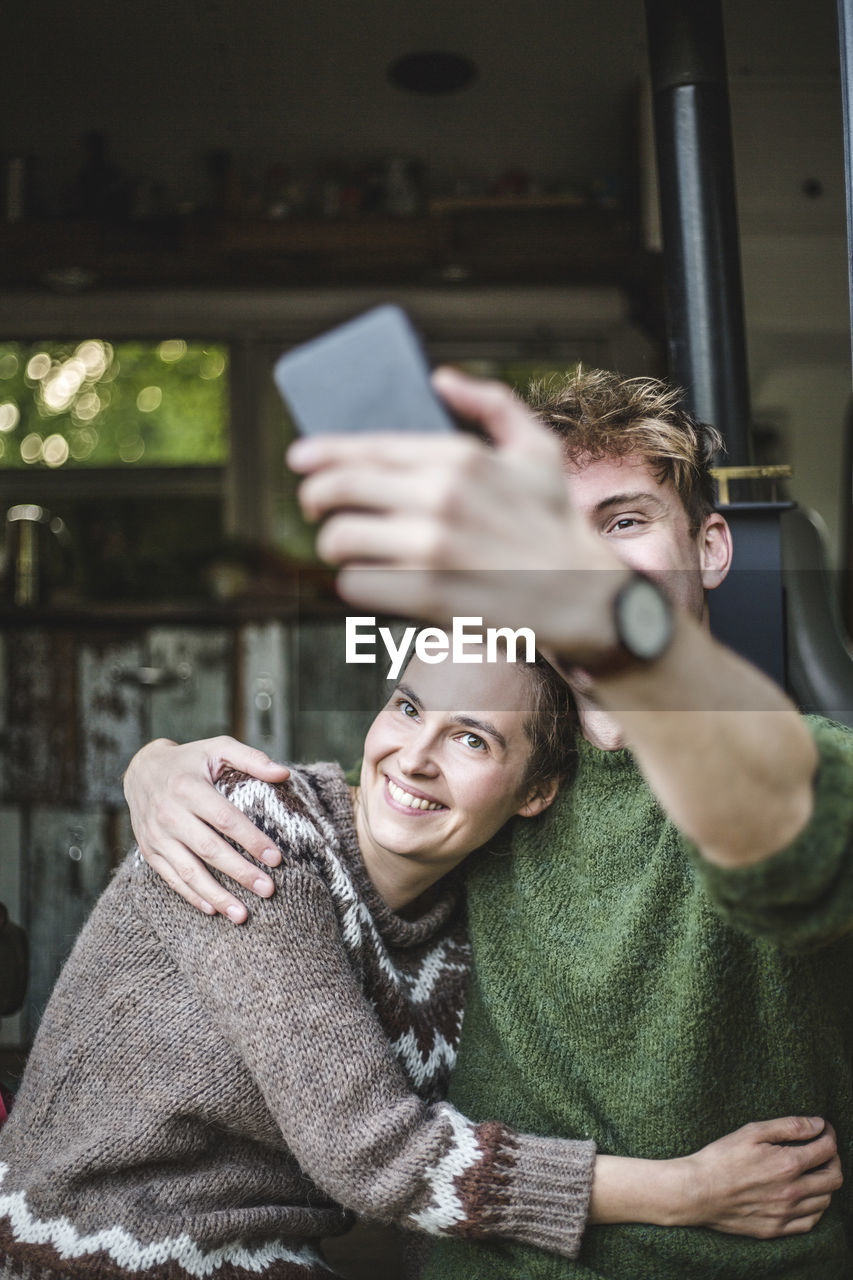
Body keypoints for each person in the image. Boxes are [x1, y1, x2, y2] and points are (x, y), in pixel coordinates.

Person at [121, 366, 852, 1279]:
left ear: (709, 548)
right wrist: (156, 767)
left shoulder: (806, 765)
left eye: (623, 524)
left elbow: (787, 845)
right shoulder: (496, 767)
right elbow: (340, 824)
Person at [2, 648, 833, 1280]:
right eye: (407, 708)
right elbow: (372, 1154)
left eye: (470, 738)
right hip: (83, 1250)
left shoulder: (468, 921)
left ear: (536, 792)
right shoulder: (256, 834)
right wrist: (688, 1191)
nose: (414, 757)